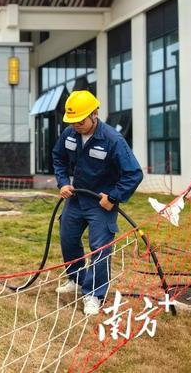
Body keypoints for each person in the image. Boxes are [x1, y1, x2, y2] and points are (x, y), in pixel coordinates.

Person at [52, 90, 143, 316]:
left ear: (94, 114)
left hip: (101, 203)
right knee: (68, 239)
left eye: (80, 120)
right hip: (76, 198)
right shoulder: (69, 135)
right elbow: (58, 158)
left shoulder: (113, 140)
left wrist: (113, 197)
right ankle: (76, 278)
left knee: (99, 249)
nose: (76, 125)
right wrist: (63, 182)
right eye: (72, 121)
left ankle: (94, 294)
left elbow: (133, 173)